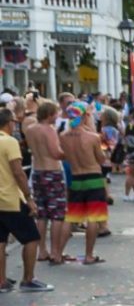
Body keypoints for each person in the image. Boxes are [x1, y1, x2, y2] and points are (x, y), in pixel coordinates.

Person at [0, 108, 54, 293]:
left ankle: (1, 281)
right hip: (11, 199)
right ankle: (28, 278)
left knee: (0, 241)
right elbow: (18, 171)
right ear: (9, 123)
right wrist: (29, 197)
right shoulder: (9, 142)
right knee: (31, 238)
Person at [58, 104, 107, 265]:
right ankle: (89, 255)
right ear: (85, 116)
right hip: (93, 178)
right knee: (93, 218)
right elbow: (101, 159)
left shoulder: (63, 137)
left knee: (70, 217)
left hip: (76, 178)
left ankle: (58, 253)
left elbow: (64, 156)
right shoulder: (92, 137)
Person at [24, 100, 71, 265]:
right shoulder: (49, 130)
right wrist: (69, 153)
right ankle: (55, 252)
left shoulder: (30, 130)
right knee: (57, 214)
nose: (57, 115)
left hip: (37, 172)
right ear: (49, 114)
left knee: (42, 214)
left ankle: (41, 250)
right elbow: (55, 153)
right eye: (55, 113)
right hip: (52, 172)